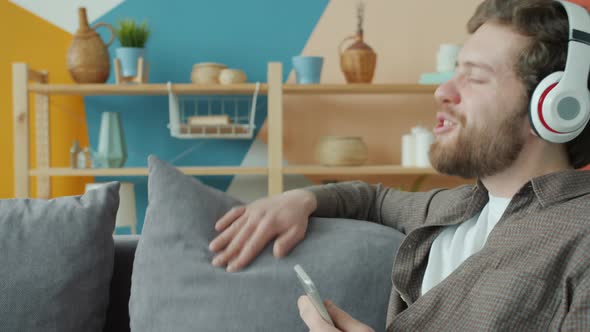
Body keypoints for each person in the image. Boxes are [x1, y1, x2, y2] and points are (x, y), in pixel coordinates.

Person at [209, 0, 590, 330]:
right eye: (454, 72)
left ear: (556, 105)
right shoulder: (453, 208)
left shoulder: (580, 238)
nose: (443, 91)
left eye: (474, 77)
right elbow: (372, 199)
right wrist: (299, 199)